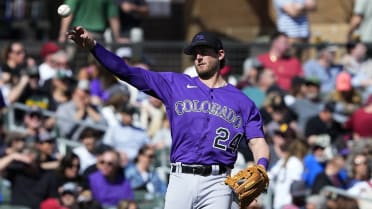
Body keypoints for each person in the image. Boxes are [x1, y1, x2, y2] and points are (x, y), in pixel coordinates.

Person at [66, 27, 270, 209]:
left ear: (220, 54)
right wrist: (94, 46)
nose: (198, 57)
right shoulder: (175, 84)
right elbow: (126, 71)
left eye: (204, 52)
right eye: (195, 53)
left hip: (219, 182)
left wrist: (261, 165)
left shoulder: (242, 102)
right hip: (181, 177)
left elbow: (258, 141)